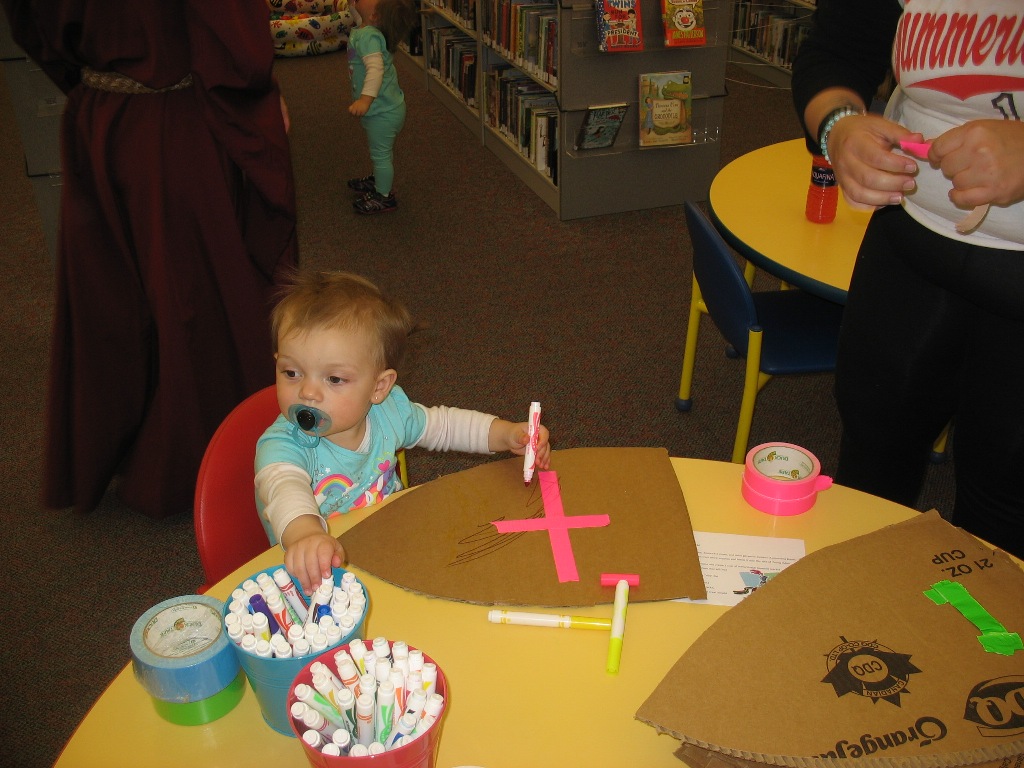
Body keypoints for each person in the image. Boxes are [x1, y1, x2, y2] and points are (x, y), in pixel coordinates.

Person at [0, 1, 298, 520]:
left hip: (98, 118)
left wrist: (101, 77)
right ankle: (194, 467)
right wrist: (256, 107)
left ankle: (120, 447)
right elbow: (233, 44)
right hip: (176, 122)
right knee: (192, 294)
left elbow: (31, 23)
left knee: (113, 292)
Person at [791, 0, 1024, 558]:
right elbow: (836, 51)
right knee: (871, 462)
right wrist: (838, 128)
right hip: (907, 242)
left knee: (1005, 505)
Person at [255, 270, 552, 593]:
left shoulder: (389, 411)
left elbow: (444, 426)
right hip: (319, 575)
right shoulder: (282, 445)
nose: (308, 392)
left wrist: (506, 435)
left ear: (379, 387)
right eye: (291, 372)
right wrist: (306, 535)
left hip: (391, 542)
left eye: (334, 379)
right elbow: (284, 488)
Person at [345, 0, 418, 214]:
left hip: (382, 112)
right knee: (378, 152)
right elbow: (356, 11)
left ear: (375, 16)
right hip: (383, 109)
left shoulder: (369, 38)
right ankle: (378, 180)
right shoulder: (366, 26)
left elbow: (375, 70)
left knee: (381, 155)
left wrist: (365, 101)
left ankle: (384, 197)